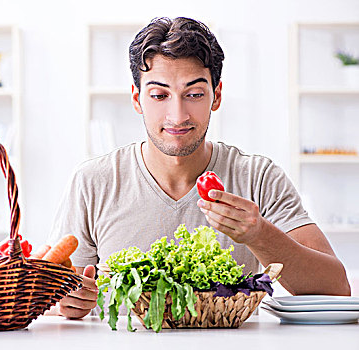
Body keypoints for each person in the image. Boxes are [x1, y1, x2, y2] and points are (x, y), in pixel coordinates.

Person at [47, 17, 351, 319]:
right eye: (159, 95)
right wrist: (64, 303)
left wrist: (259, 235)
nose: (177, 115)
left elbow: (336, 289)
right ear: (137, 99)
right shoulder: (93, 181)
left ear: (216, 96)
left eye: (193, 94)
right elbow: (62, 299)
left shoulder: (258, 178)